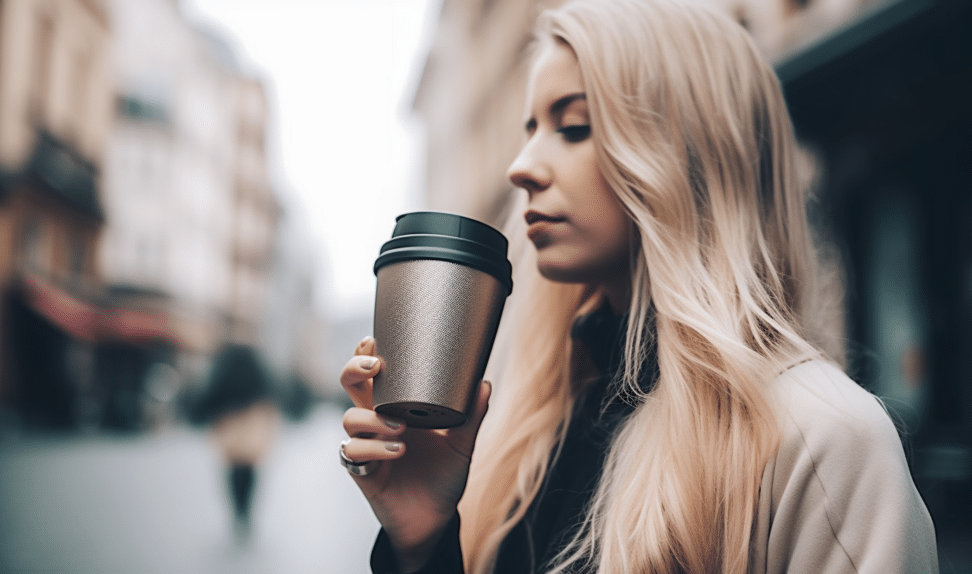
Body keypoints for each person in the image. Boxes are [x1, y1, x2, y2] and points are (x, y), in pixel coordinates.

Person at [338, 0, 939, 572]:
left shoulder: (825, 442)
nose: (521, 166)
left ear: (694, 149)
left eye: (573, 126)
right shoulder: (531, 425)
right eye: (530, 129)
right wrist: (423, 545)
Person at [196, 344, 280, 540]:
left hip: (230, 431)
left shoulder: (225, 375)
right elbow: (270, 398)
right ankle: (246, 512)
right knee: (249, 474)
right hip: (251, 431)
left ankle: (238, 512)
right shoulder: (259, 376)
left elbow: (211, 399)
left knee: (234, 473)